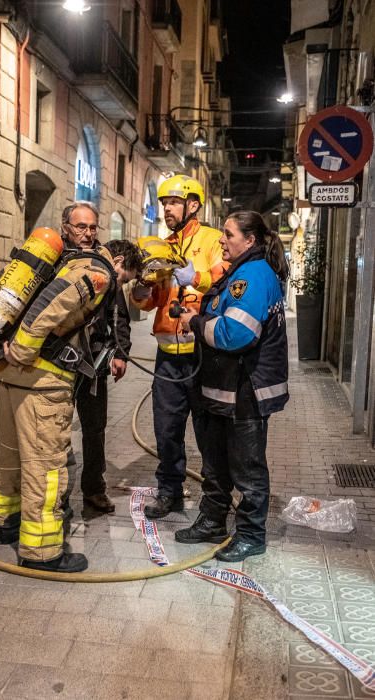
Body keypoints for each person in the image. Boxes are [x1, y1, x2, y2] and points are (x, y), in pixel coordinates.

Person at [0, 239, 143, 573]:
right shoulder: (98, 273)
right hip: (42, 381)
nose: (122, 284)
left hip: (11, 378)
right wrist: (24, 350)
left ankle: (8, 524)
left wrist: (15, 356)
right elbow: (52, 306)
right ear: (117, 260)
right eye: (126, 277)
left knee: (10, 456)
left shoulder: (70, 262)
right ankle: (41, 551)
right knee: (45, 468)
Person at [174, 211, 289, 562]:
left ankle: (252, 535)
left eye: (228, 234)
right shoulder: (240, 272)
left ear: (249, 241)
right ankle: (212, 521)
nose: (221, 240)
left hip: (245, 392)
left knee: (247, 469)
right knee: (216, 462)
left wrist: (194, 321)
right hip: (224, 390)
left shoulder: (252, 275)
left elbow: (235, 334)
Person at [131, 174, 228, 519]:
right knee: (166, 430)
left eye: (172, 202)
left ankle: (215, 500)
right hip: (167, 358)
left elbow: (225, 282)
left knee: (208, 432)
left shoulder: (214, 241)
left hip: (204, 354)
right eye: (163, 204)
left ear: (193, 204)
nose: (167, 209)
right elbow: (151, 300)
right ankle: (169, 490)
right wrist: (141, 290)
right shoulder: (162, 245)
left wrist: (195, 278)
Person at [60, 202, 132, 513]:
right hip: (57, 361)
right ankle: (57, 494)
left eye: (92, 227)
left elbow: (119, 314)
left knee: (95, 428)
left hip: (94, 361)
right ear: (66, 227)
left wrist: (120, 352)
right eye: (80, 227)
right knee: (55, 432)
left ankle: (94, 489)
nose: (87, 233)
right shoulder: (52, 259)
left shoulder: (102, 260)